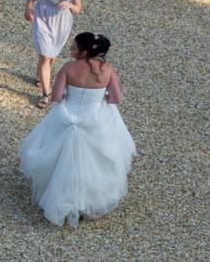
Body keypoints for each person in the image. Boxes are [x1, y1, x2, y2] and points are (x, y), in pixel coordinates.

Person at [19, 33, 135, 227]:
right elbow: (116, 98)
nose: (70, 50)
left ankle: (57, 195)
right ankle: (86, 202)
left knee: (60, 158)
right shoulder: (108, 71)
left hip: (67, 118)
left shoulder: (68, 68)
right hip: (95, 121)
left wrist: (67, 95)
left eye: (73, 48)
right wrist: (101, 98)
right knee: (93, 162)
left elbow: (56, 97)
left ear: (84, 52)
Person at [25, 0, 82, 108]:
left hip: (61, 20)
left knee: (51, 55)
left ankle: (41, 75)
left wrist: (69, 4)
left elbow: (78, 8)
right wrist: (29, 5)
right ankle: (45, 93)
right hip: (42, 15)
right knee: (44, 54)